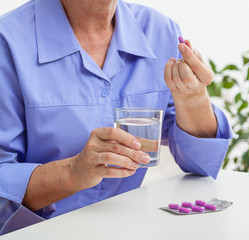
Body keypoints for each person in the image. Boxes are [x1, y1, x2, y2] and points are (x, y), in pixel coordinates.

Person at [0, 0, 233, 235]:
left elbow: (201, 164)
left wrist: (193, 99)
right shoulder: (8, 40)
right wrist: (72, 172)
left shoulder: (160, 31)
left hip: (128, 230)